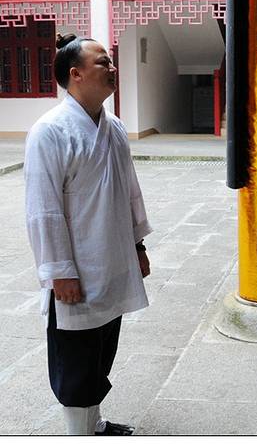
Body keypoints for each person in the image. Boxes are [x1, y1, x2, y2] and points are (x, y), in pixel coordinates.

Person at [24, 33, 152, 435]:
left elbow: (129, 192)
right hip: (75, 267)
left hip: (112, 258)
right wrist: (59, 271)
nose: (112, 68)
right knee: (76, 359)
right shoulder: (49, 131)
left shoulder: (114, 127)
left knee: (102, 350)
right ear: (75, 74)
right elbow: (42, 209)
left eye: (111, 61)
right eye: (103, 63)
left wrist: (138, 246)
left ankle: (94, 423)